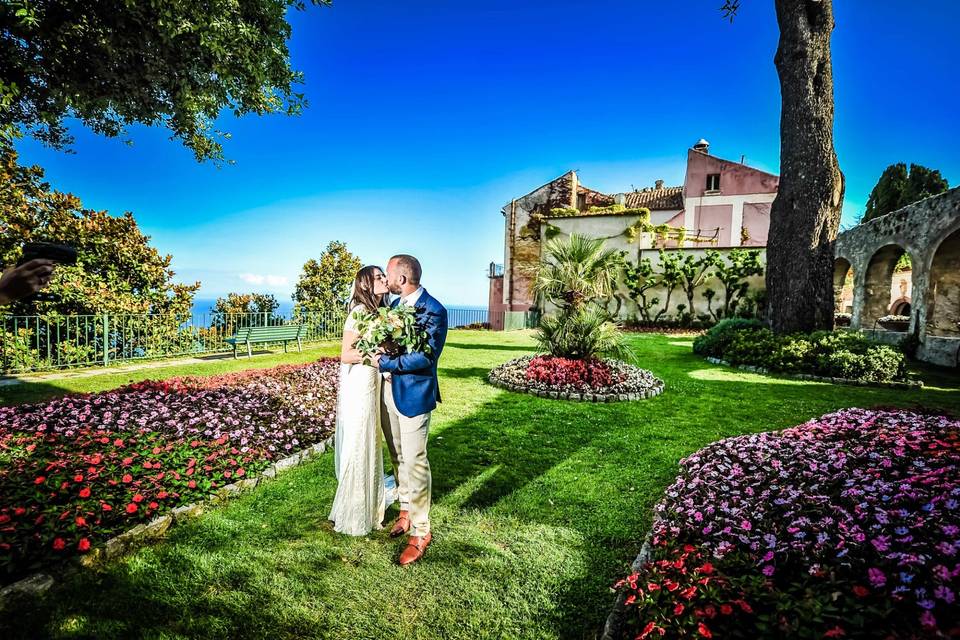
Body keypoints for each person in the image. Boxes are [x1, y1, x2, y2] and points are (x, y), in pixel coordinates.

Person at [373, 254, 448, 566]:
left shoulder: (435, 311)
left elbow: (425, 359)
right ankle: (405, 509)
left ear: (401, 280)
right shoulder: (392, 308)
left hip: (415, 395)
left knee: (415, 462)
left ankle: (420, 531)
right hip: (388, 393)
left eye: (389, 275)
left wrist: (384, 362)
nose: (387, 281)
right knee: (397, 454)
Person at [328, 265, 392, 536]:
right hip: (360, 382)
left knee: (370, 439)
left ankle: (371, 504)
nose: (384, 280)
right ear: (365, 284)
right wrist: (377, 358)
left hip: (372, 380)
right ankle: (355, 511)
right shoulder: (359, 312)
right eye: (378, 277)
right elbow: (346, 354)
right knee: (360, 440)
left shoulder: (379, 313)